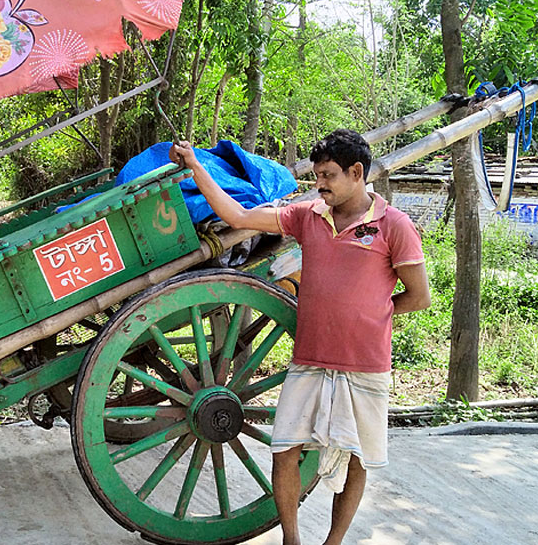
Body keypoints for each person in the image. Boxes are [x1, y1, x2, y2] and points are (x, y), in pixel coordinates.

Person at [169, 129, 430, 545]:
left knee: (356, 460)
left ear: (356, 172)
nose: (318, 184)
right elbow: (238, 217)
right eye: (316, 176)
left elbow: (418, 297)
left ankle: (332, 543)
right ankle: (292, 540)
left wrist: (371, 316)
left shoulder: (394, 226)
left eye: (327, 175)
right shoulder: (307, 216)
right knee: (285, 450)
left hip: (365, 365)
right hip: (309, 360)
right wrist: (197, 167)